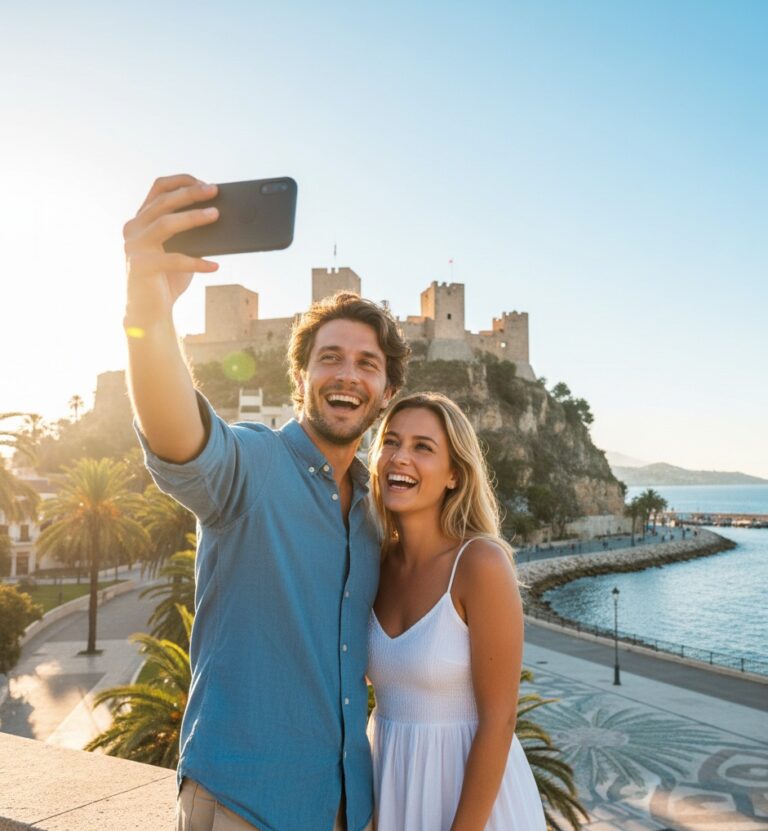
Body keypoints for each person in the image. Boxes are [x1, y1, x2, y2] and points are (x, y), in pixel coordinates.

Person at [122, 174, 410, 831]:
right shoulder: (252, 464)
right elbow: (178, 438)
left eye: (367, 364)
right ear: (301, 375)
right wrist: (146, 310)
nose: (347, 373)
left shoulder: (375, 512)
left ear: (385, 390)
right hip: (245, 807)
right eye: (329, 357)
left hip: (348, 807)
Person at [366, 392, 546, 830]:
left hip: (472, 805)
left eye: (423, 447)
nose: (400, 458)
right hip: (387, 787)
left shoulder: (479, 563)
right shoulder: (372, 561)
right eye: (391, 442)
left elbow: (499, 721)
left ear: (454, 475)